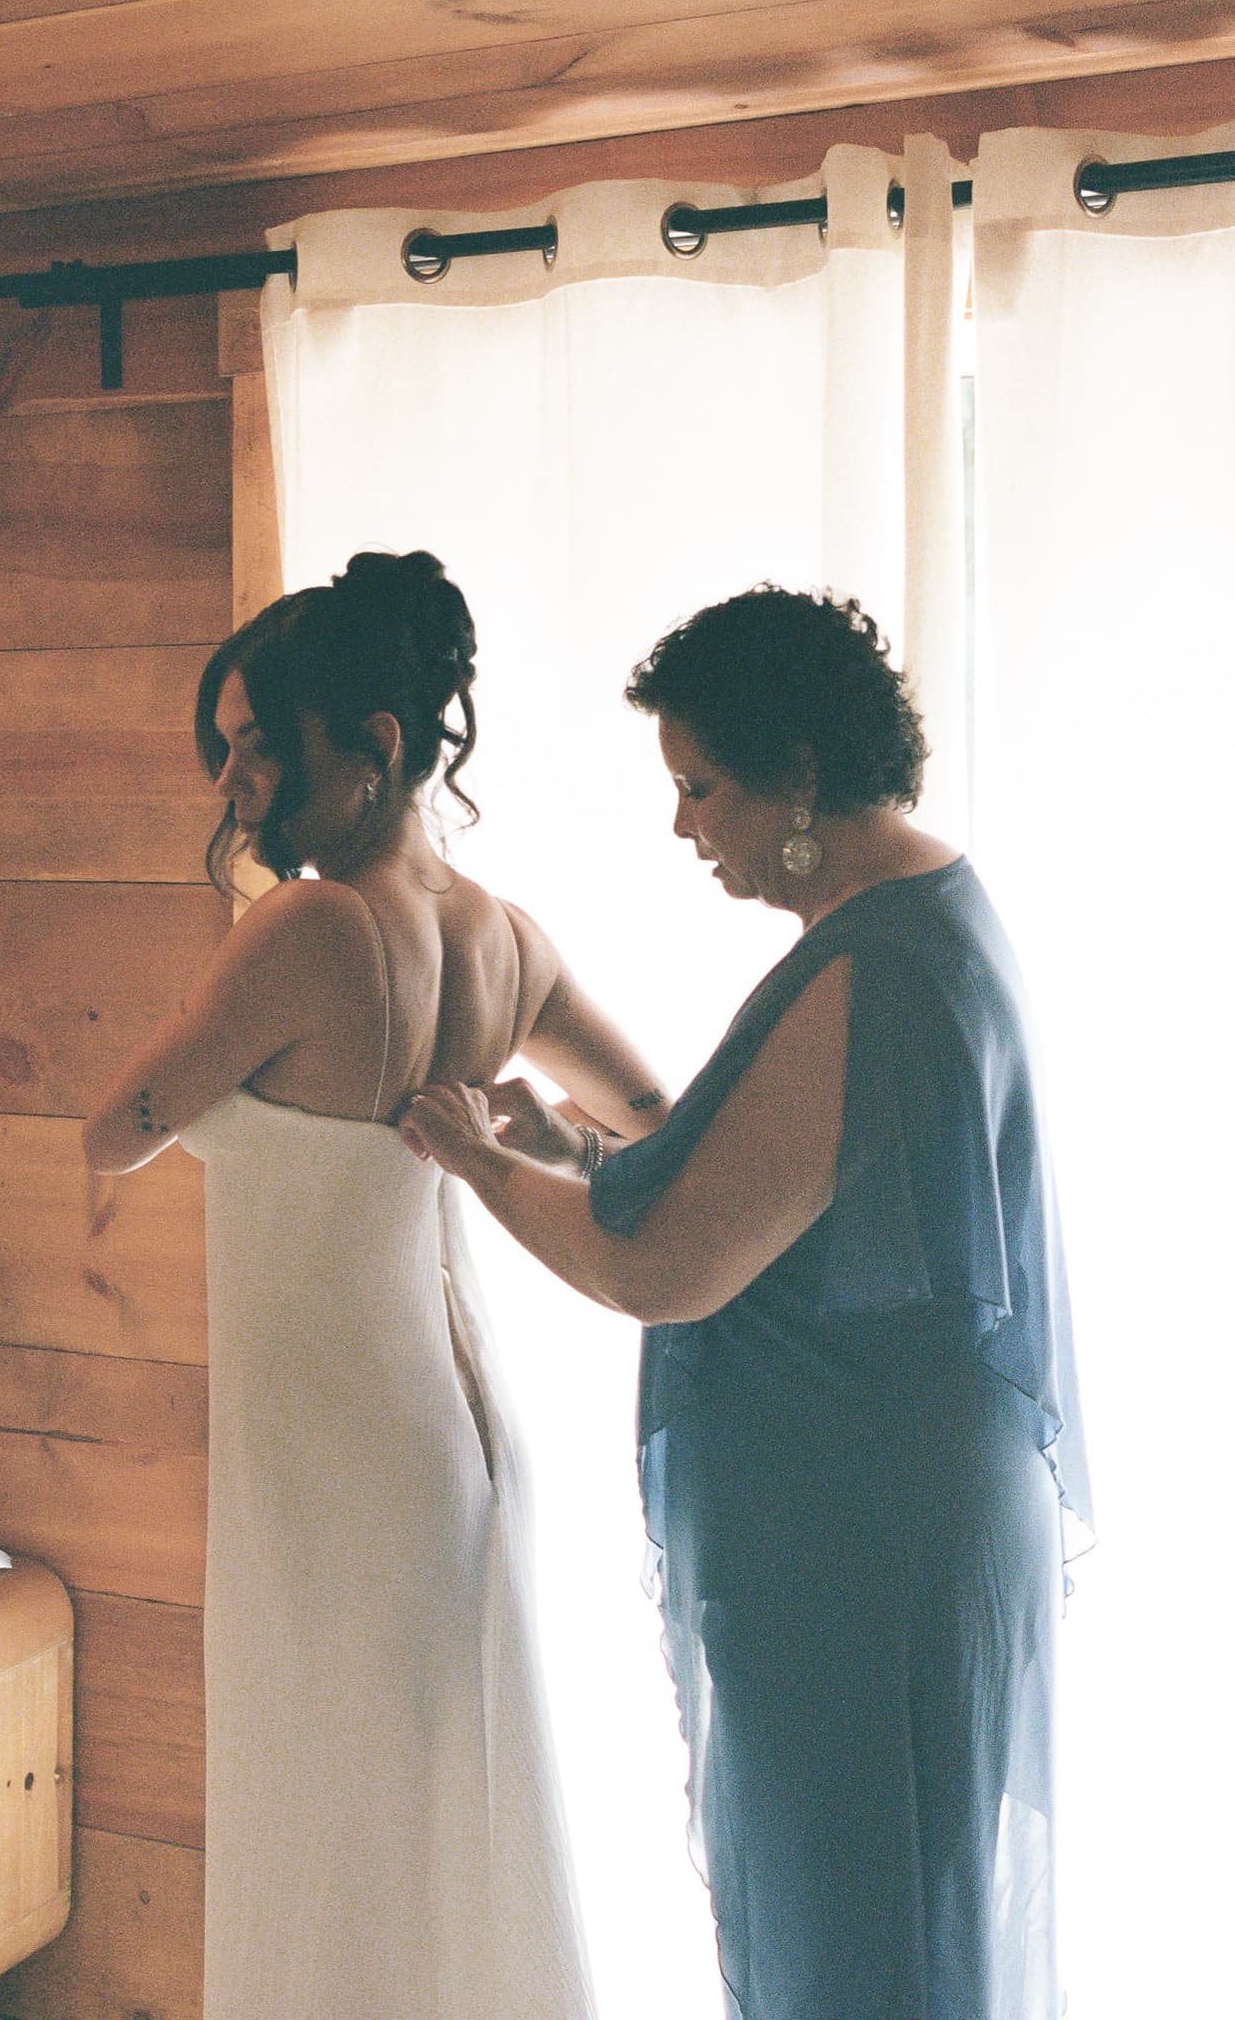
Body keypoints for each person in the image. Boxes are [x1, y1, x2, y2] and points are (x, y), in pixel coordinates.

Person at [403, 585, 1090, 2020]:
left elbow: (665, 1272)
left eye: (698, 787)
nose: (683, 827)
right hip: (874, 1516)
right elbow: (782, 1203)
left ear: (795, 775)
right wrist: (570, 1146)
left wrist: (471, 1162)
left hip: (863, 1544)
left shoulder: (877, 972)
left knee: (858, 1941)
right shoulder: (917, 919)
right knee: (855, 1924)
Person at [82, 549, 669, 2020]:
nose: (234, 784)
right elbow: (653, 1117)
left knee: (325, 1821)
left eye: (258, 750)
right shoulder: (504, 936)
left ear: (376, 748)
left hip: (327, 1445)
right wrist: (534, 1137)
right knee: (437, 1812)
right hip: (449, 1424)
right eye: (226, 752)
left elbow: (113, 1133)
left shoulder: (303, 928)